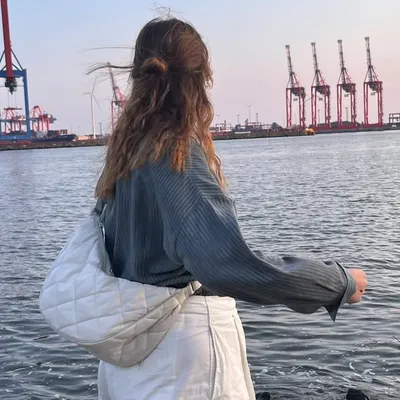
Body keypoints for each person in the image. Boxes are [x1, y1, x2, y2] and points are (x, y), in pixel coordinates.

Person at [94, 16, 367, 400]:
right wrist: (338, 283)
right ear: (200, 79)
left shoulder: (124, 159)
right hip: (181, 360)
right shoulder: (173, 155)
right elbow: (226, 266)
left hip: (127, 357)